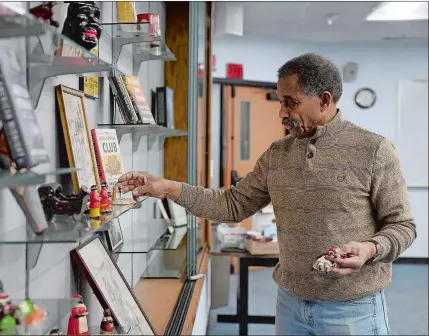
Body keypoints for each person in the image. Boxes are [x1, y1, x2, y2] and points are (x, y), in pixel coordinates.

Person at [116, 53, 416, 335]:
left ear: (324, 100)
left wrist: (370, 249)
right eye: (280, 101)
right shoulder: (278, 154)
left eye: (291, 102)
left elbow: (403, 226)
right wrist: (167, 187)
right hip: (291, 304)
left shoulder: (374, 150)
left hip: (354, 308)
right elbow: (232, 205)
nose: (282, 112)